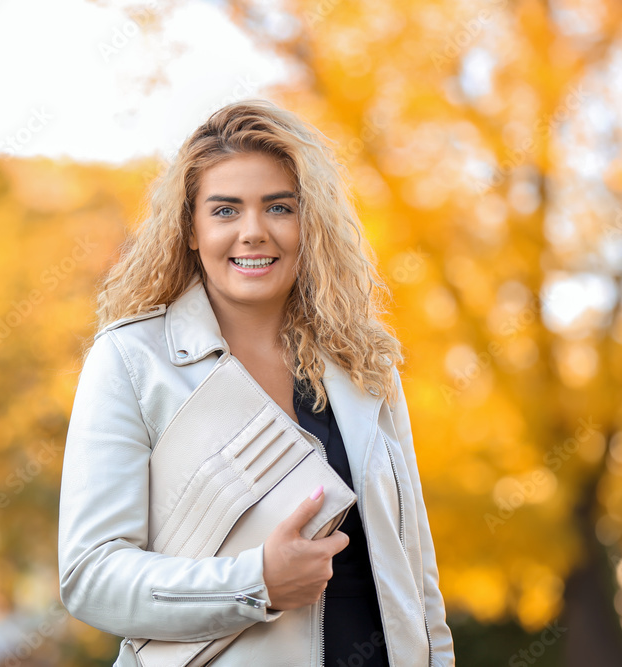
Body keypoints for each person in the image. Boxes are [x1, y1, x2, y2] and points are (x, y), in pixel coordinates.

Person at [57, 99, 455, 666]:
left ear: (308, 223)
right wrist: (256, 583)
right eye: (224, 211)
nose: (253, 232)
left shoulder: (364, 363)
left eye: (278, 207)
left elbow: (416, 572)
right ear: (190, 230)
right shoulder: (130, 360)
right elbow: (91, 575)